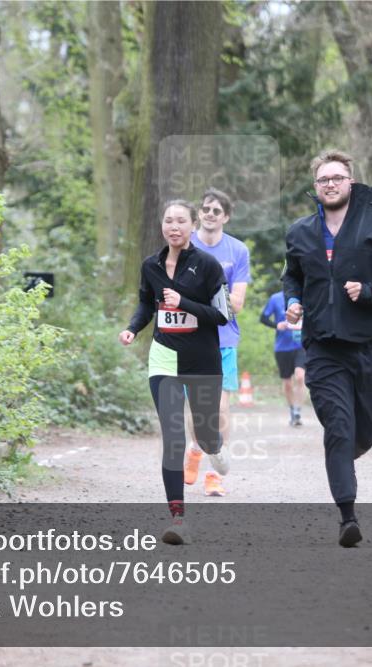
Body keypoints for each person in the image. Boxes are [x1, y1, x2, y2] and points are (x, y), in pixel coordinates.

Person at [282, 149, 372, 547]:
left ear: (351, 182)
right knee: (339, 427)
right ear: (316, 187)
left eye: (337, 178)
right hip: (323, 346)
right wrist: (293, 301)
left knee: (367, 427)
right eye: (324, 180)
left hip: (368, 344)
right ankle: (348, 517)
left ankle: (344, 455)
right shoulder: (300, 232)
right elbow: (292, 276)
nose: (330, 184)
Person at [119, 200, 230, 545]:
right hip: (164, 356)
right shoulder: (151, 265)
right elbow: (144, 302)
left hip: (202, 360)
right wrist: (133, 328)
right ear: (163, 227)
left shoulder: (208, 265)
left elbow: (222, 316)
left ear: (191, 225)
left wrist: (184, 303)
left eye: (181, 220)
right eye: (168, 221)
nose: (174, 226)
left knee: (205, 432)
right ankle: (177, 517)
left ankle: (212, 445)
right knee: (173, 436)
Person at [186, 188, 250, 497]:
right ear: (198, 213)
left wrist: (204, 292)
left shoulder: (237, 251)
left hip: (223, 340)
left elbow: (237, 303)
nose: (210, 214)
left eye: (216, 211)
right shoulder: (183, 245)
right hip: (187, 339)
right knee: (195, 411)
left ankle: (213, 475)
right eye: (206, 209)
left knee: (220, 410)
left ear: (225, 216)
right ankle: (195, 449)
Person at [260, 290, 306, 426]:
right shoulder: (275, 298)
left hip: (301, 345)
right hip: (282, 347)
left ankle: (298, 410)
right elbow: (263, 318)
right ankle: (292, 410)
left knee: (300, 376)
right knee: (287, 383)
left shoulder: (304, 295)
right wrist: (277, 325)